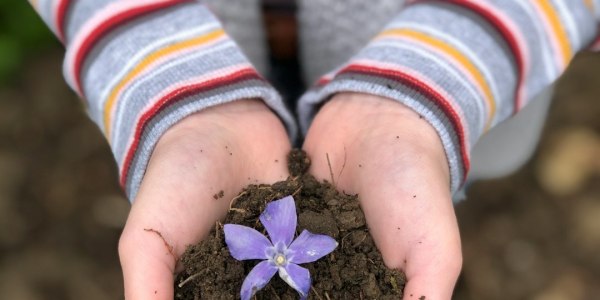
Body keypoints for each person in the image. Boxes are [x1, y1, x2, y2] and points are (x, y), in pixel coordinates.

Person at [28, 0, 600, 299]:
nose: (278, 261)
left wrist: (429, 85)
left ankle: (426, 216)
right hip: (170, 58)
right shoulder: (264, 260)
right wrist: (177, 93)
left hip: (464, 74)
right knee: (402, 204)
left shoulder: (303, 253)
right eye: (278, 259)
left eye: (280, 259)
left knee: (410, 200)